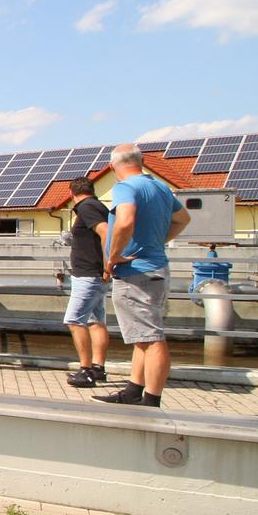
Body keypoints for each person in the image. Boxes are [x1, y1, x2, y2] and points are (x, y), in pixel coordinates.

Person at [97, 144, 191, 407]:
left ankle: (151, 400)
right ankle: (132, 391)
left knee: (151, 338)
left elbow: (125, 221)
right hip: (157, 269)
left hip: (135, 273)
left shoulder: (126, 187)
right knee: (142, 336)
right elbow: (183, 219)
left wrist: (113, 257)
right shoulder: (160, 187)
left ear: (114, 166)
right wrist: (158, 242)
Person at [63, 176, 111, 388]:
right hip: (96, 274)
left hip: (88, 275)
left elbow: (105, 233)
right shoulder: (99, 205)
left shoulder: (86, 207)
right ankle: (98, 368)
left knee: (74, 320)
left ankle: (86, 371)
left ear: (71, 193)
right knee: (95, 321)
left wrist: (109, 263)